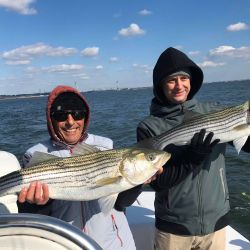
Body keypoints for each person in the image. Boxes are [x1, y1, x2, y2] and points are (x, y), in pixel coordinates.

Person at [136, 47, 250, 250]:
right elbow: (159, 183)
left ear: (191, 81)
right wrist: (191, 157)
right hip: (173, 226)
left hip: (216, 222)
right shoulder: (150, 127)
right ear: (160, 85)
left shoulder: (214, 110)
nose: (179, 85)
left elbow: (246, 143)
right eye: (171, 80)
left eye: (183, 78)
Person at [17, 85, 136, 250]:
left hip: (115, 244)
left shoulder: (106, 146)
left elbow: (122, 202)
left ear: (85, 117)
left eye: (78, 113)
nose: (71, 122)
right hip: (66, 245)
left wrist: (140, 180)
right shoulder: (34, 154)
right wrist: (37, 204)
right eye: (61, 115)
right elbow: (30, 216)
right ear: (51, 119)